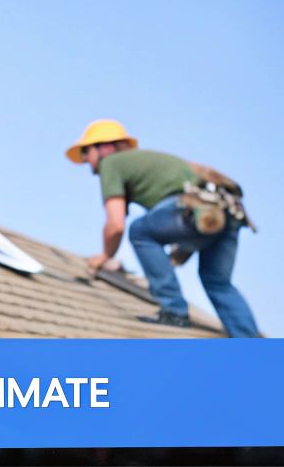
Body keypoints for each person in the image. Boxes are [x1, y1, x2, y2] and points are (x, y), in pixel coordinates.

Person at [66, 119, 259, 337]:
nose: (85, 161)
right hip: (228, 213)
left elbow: (116, 224)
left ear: (105, 147)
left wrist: (105, 256)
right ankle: (249, 342)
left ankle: (174, 311)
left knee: (139, 231)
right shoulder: (142, 161)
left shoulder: (112, 163)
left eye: (85, 151)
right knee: (218, 282)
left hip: (194, 207)